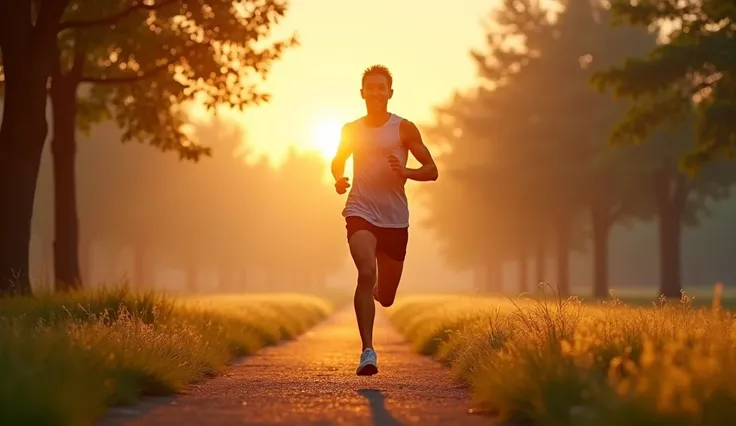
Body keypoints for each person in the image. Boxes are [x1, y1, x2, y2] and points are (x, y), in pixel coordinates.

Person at [330, 64, 439, 376]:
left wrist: (407, 172)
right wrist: (339, 179)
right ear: (362, 93)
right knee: (366, 272)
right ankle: (367, 350)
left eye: (382, 87)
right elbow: (338, 160)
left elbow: (431, 170)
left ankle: (376, 291)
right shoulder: (351, 129)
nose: (376, 92)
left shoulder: (404, 128)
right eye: (370, 87)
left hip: (394, 219)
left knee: (386, 297)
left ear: (390, 93)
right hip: (360, 210)